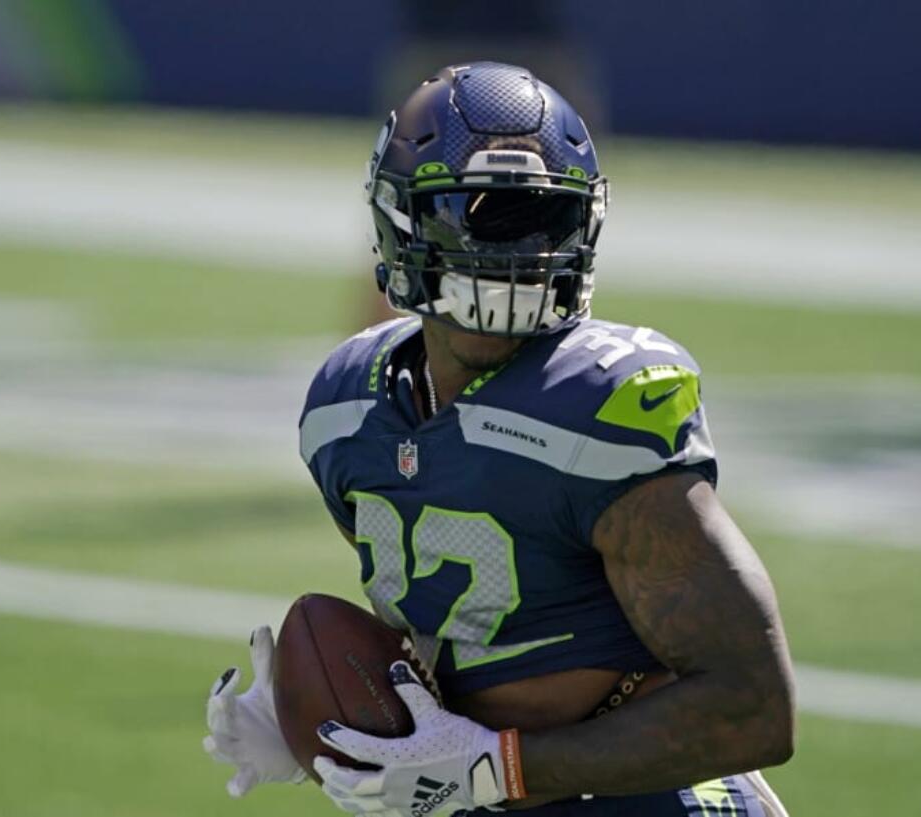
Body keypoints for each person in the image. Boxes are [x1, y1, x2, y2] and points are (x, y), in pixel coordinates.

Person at [204, 62, 795, 816]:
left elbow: (753, 705)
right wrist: (319, 725)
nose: (511, 254)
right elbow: (458, 642)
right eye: (475, 215)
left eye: (539, 218)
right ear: (400, 222)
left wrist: (498, 767)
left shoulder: (599, 403)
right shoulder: (346, 408)